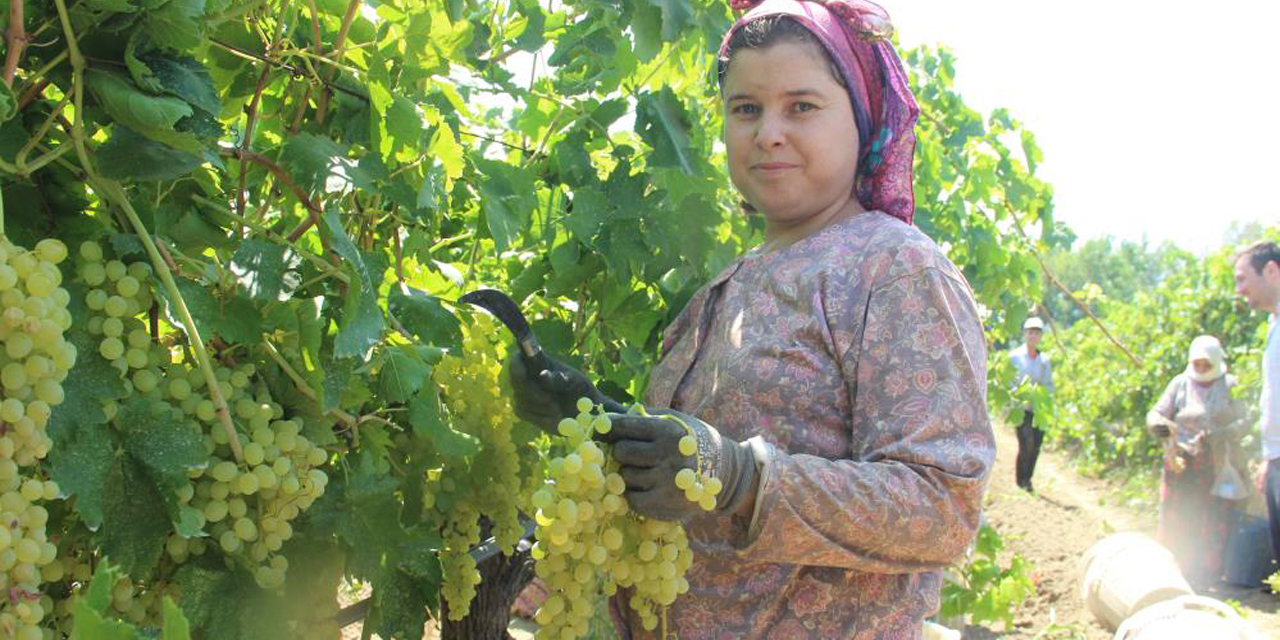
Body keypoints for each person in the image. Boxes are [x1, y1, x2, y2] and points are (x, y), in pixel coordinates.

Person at [510, 1, 994, 637]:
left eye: (802, 106)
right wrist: (594, 416)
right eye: (746, 108)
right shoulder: (728, 283)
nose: (768, 131)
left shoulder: (895, 270)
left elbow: (942, 510)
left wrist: (739, 477)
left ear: (862, 117)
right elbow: (683, 463)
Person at [1145, 335, 1244, 586]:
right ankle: (1176, 569)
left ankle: (1208, 572)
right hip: (1181, 461)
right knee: (1178, 515)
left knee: (1210, 515)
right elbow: (1157, 412)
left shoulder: (1230, 385)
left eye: (1206, 365)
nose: (1200, 370)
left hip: (1213, 462)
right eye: (1197, 364)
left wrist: (1220, 434)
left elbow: (1245, 420)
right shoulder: (1180, 384)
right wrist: (1159, 426)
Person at [1234, 241, 1280, 578]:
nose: (1239, 289)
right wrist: (1269, 457)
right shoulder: (1273, 326)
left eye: (1241, 278)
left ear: (1272, 271)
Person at [1009, 317, 1052, 492]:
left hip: (1038, 409)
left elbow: (1049, 385)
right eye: (1030, 332)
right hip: (1021, 409)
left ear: (1041, 336)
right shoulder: (1014, 357)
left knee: (1036, 446)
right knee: (1026, 444)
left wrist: (1042, 397)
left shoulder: (1044, 360)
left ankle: (1028, 480)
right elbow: (1010, 382)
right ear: (1025, 334)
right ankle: (1020, 480)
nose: (1033, 336)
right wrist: (1021, 394)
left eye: (1036, 333)